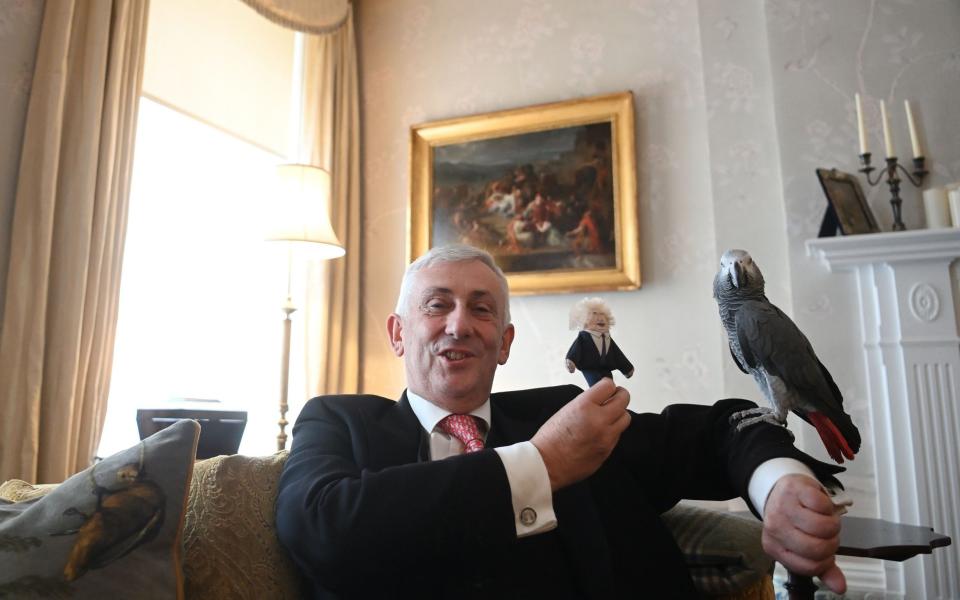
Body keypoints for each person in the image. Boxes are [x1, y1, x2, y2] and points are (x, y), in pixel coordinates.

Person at [276, 244, 849, 599]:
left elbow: (723, 427)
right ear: (398, 333)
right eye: (436, 305)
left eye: (481, 309)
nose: (459, 325)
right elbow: (322, 528)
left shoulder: (569, 415)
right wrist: (541, 465)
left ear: (504, 343)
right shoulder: (338, 421)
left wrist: (782, 484)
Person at [565, 297, 634, 386]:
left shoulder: (607, 338)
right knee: (598, 386)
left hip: (606, 369)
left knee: (610, 386)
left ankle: (606, 397)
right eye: (594, 314)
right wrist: (571, 361)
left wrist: (627, 368)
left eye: (602, 314)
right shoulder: (584, 337)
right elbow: (576, 349)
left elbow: (617, 354)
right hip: (590, 368)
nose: (600, 318)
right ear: (584, 320)